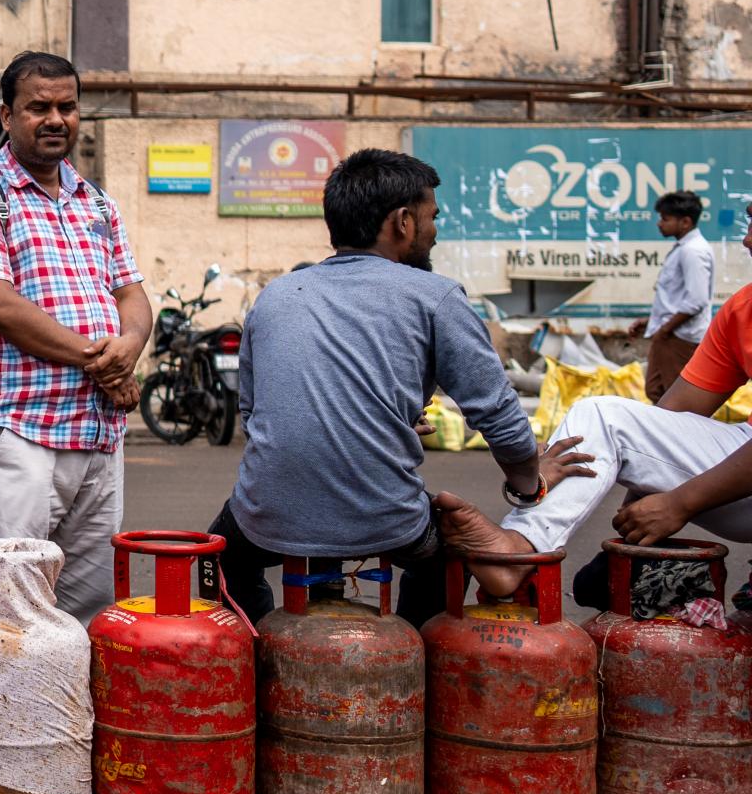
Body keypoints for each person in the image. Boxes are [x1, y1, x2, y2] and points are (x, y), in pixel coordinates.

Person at [204, 148, 574, 628]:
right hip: (387, 521)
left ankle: (248, 651)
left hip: (268, 516)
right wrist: (530, 482)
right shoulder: (435, 296)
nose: (435, 230)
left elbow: (255, 415)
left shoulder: (274, 295)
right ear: (402, 222)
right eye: (431, 217)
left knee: (222, 558)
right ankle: (416, 654)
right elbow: (498, 414)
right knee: (443, 556)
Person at [0, 51, 150, 622]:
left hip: (98, 437)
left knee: (86, 609)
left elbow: (132, 294)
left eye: (67, 106)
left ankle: (62, 715)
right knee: (3, 604)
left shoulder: (96, 202)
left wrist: (129, 345)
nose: (55, 119)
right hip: (18, 435)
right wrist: (104, 363)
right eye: (38, 107)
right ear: (6, 116)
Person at [438, 276, 752, 602]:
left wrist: (678, 504)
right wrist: (640, 516)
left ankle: (518, 550)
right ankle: (521, 557)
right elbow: (662, 427)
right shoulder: (742, 308)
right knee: (605, 423)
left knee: (604, 416)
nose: (746, 239)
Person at [628, 191, 714, 403]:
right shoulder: (684, 248)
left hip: (680, 338)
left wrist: (665, 330)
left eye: (665, 219)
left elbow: (696, 300)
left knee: (679, 403)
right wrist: (651, 322)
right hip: (669, 335)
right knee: (657, 392)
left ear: (685, 222)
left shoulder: (693, 251)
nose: (659, 224)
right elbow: (677, 299)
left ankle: (687, 436)